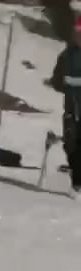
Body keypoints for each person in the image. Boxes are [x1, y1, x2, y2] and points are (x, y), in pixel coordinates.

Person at [49, 16, 81, 193]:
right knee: (70, 144)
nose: (78, 35)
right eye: (77, 32)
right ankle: (77, 183)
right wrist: (66, 87)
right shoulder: (66, 55)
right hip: (71, 108)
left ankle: (78, 183)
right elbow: (56, 80)